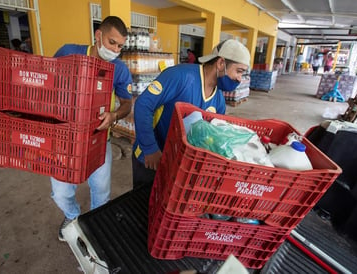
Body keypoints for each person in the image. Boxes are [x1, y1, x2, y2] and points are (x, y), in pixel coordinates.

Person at [51, 16, 132, 241]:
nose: (115, 50)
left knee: (101, 190)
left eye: (120, 46)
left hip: (99, 139)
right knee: (61, 192)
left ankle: (97, 223)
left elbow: (127, 104)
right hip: (64, 138)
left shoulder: (119, 68)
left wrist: (114, 115)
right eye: (111, 42)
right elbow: (48, 81)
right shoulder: (69, 52)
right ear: (98, 35)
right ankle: (72, 215)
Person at [132, 39, 250, 188]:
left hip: (178, 164)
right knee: (142, 205)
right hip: (151, 158)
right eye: (238, 71)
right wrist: (150, 149)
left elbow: (213, 134)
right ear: (221, 63)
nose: (239, 78)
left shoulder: (218, 99)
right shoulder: (181, 76)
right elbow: (143, 105)